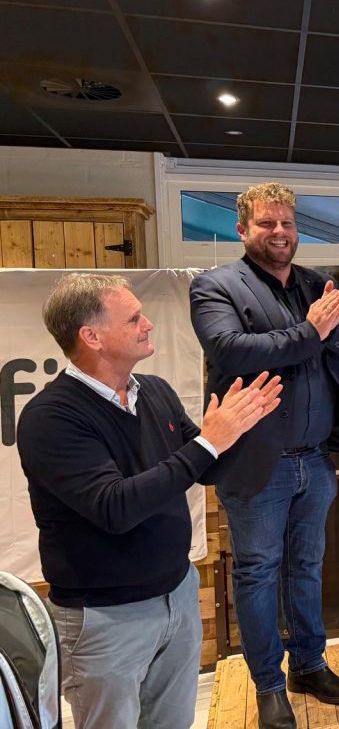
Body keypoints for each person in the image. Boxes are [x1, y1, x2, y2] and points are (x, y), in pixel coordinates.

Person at [17, 273, 281, 729]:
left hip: (177, 596)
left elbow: (204, 467)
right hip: (105, 618)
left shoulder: (154, 391)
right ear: (92, 337)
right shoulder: (50, 417)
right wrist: (210, 442)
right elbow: (115, 507)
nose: (148, 324)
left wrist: (242, 429)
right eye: (133, 318)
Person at [190, 182, 339, 729]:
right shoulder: (215, 286)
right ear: (242, 229)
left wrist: (330, 327)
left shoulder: (315, 284)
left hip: (314, 460)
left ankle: (309, 666)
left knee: (307, 567)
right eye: (267, 223)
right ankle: (269, 685)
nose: (279, 232)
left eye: (287, 223)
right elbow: (231, 351)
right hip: (255, 463)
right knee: (257, 574)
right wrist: (311, 330)